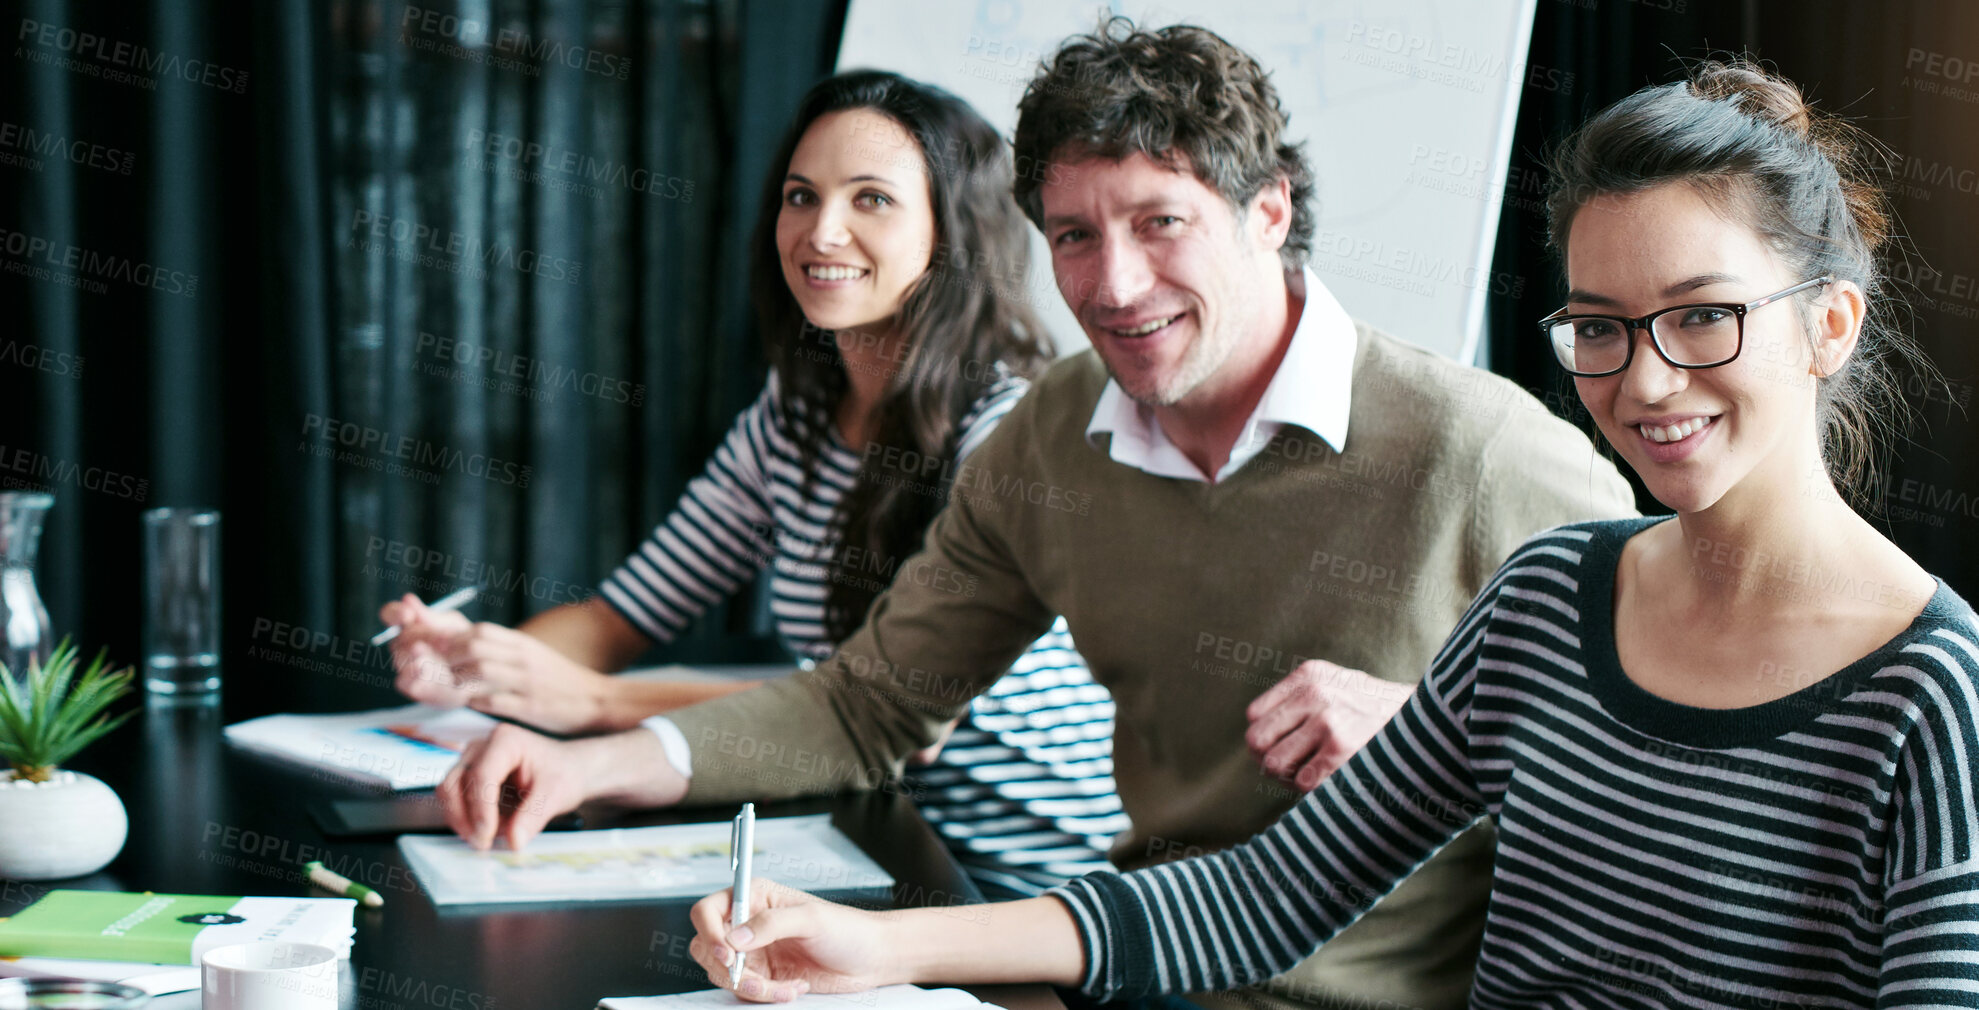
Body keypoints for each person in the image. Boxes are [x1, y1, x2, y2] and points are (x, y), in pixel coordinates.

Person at [679, 59, 1979, 1008]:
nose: (1639, 383)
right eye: (1595, 327)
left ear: (1826, 324)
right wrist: (873, 945)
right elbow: (1257, 896)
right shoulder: (1549, 599)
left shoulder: (1929, 689)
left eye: (1700, 317)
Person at [439, 21, 1638, 1010]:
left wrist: (1441, 729)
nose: (1111, 286)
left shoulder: (1481, 454)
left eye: (1159, 222)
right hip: (1125, 966)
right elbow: (866, 705)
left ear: (1268, 213)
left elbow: (1669, 791)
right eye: (1073, 235)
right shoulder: (1054, 434)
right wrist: (582, 759)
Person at [379, 69, 1131, 898]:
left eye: (871, 199)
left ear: (952, 234)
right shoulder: (793, 417)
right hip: (853, 839)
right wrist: (486, 665)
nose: (821, 231)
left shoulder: (1006, 430)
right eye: (801, 196)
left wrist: (593, 703)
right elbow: (616, 617)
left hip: (1020, 884)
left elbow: (895, 723)